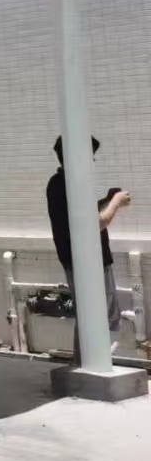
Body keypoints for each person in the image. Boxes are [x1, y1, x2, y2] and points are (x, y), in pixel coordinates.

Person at [46, 135, 132, 361]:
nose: (92, 162)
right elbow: (94, 224)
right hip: (89, 261)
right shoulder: (73, 185)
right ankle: (89, 364)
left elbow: (79, 217)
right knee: (98, 316)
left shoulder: (57, 184)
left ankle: (84, 363)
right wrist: (116, 202)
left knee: (90, 315)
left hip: (78, 259)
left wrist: (104, 201)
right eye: (90, 157)